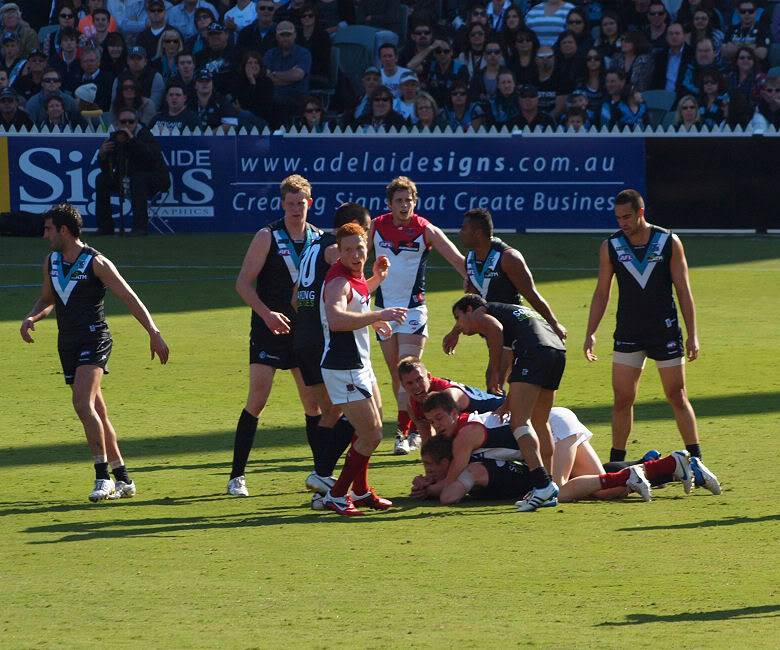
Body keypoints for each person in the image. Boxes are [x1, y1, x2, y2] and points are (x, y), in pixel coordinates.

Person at [19, 203, 169, 502]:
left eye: (49, 229)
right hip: (68, 343)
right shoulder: (51, 261)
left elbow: (129, 297)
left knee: (82, 404)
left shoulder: (96, 262)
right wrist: (32, 316)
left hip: (94, 339)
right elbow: (47, 299)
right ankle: (123, 478)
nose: (45, 235)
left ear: (64, 230)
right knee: (97, 411)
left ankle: (102, 477)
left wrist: (154, 332)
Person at [583, 189, 705, 467]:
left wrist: (692, 334)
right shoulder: (610, 247)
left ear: (640, 213)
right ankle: (616, 464)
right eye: (617, 218)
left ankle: (697, 461)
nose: (622, 223)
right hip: (628, 331)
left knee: (677, 395)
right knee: (622, 399)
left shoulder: (668, 241)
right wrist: (591, 332)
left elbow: (684, 290)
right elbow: (602, 292)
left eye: (627, 217)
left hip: (665, 329)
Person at [227, 175, 324, 497]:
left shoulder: (318, 239)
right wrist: (266, 314)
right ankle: (236, 476)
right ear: (282, 204)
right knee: (258, 400)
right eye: (291, 203)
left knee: (313, 405)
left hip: (305, 334)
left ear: (310, 204)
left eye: (302, 203)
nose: (296, 208)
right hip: (269, 331)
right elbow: (243, 283)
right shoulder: (266, 236)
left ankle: (320, 472)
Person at [368, 176, 467, 454]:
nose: (404, 205)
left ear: (415, 202)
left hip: (413, 310)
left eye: (409, 200)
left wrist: (472, 282)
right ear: (389, 204)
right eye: (399, 200)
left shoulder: (425, 229)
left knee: (408, 371)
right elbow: (353, 256)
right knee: (396, 376)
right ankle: (415, 427)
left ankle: (402, 433)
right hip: (384, 310)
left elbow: (457, 259)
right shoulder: (376, 226)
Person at [447, 294, 565, 511]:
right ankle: (547, 484)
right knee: (540, 422)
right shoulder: (509, 312)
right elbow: (514, 364)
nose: (459, 325)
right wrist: (509, 399)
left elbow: (495, 330)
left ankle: (541, 485)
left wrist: (493, 372)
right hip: (555, 350)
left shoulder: (483, 312)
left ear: (469, 309)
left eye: (458, 318)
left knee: (518, 423)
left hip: (535, 351)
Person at [320, 223, 407, 516]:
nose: (356, 255)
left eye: (360, 248)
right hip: (343, 368)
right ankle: (336, 494)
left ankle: (360, 490)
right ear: (339, 252)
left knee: (371, 428)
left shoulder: (356, 277)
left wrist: (377, 279)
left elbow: (358, 298)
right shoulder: (338, 282)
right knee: (371, 434)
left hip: (359, 364)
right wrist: (380, 314)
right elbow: (336, 319)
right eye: (348, 250)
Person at [292, 203, 375, 501]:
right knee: (346, 414)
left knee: (333, 412)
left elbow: (295, 297)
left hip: (303, 337)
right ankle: (324, 480)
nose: (362, 245)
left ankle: (334, 483)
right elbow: (341, 287)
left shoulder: (313, 245)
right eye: (363, 232)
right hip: (324, 342)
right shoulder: (332, 252)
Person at [445, 208, 565, 389]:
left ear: (477, 233)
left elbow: (531, 295)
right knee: (501, 383)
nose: (459, 232)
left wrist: (554, 325)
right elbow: (475, 302)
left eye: (464, 228)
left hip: (514, 330)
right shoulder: (470, 258)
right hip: (492, 329)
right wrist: (457, 330)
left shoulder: (508, 258)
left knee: (495, 381)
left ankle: (509, 415)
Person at [94, 107, 171, 235]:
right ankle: (105, 227)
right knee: (102, 178)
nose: (127, 125)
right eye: (123, 122)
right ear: (117, 123)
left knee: (138, 179)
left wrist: (132, 140)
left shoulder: (145, 135)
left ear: (137, 122)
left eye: (131, 121)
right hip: (127, 178)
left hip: (155, 178)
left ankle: (140, 227)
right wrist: (102, 155)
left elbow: (151, 159)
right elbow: (107, 169)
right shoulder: (115, 138)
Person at [399, 357, 504, 444]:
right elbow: (428, 442)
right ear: (403, 386)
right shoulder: (413, 405)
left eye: (419, 379)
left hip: (503, 413)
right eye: (410, 383)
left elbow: (449, 438)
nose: (416, 386)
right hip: (485, 430)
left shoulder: (447, 394)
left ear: (429, 376)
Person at [263, 21, 312, 129]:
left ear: (295, 35)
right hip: (273, 96)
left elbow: (298, 75)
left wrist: (274, 74)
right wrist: (290, 75)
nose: (285, 38)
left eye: (288, 35)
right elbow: (266, 78)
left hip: (298, 97)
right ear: (276, 36)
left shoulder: (304, 53)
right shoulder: (270, 54)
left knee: (279, 103)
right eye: (282, 35)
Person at [721, 0, 771, 66]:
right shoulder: (731, 29)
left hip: (757, 69)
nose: (747, 14)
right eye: (743, 11)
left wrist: (736, 47)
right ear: (738, 12)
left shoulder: (763, 29)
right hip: (733, 68)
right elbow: (724, 53)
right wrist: (751, 47)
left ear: (755, 12)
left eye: (750, 11)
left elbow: (762, 54)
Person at [649, 23, 691, 97]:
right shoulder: (660, 56)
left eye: (677, 33)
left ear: (684, 36)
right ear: (666, 37)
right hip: (663, 98)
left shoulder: (692, 54)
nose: (674, 36)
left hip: (685, 99)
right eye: (670, 34)